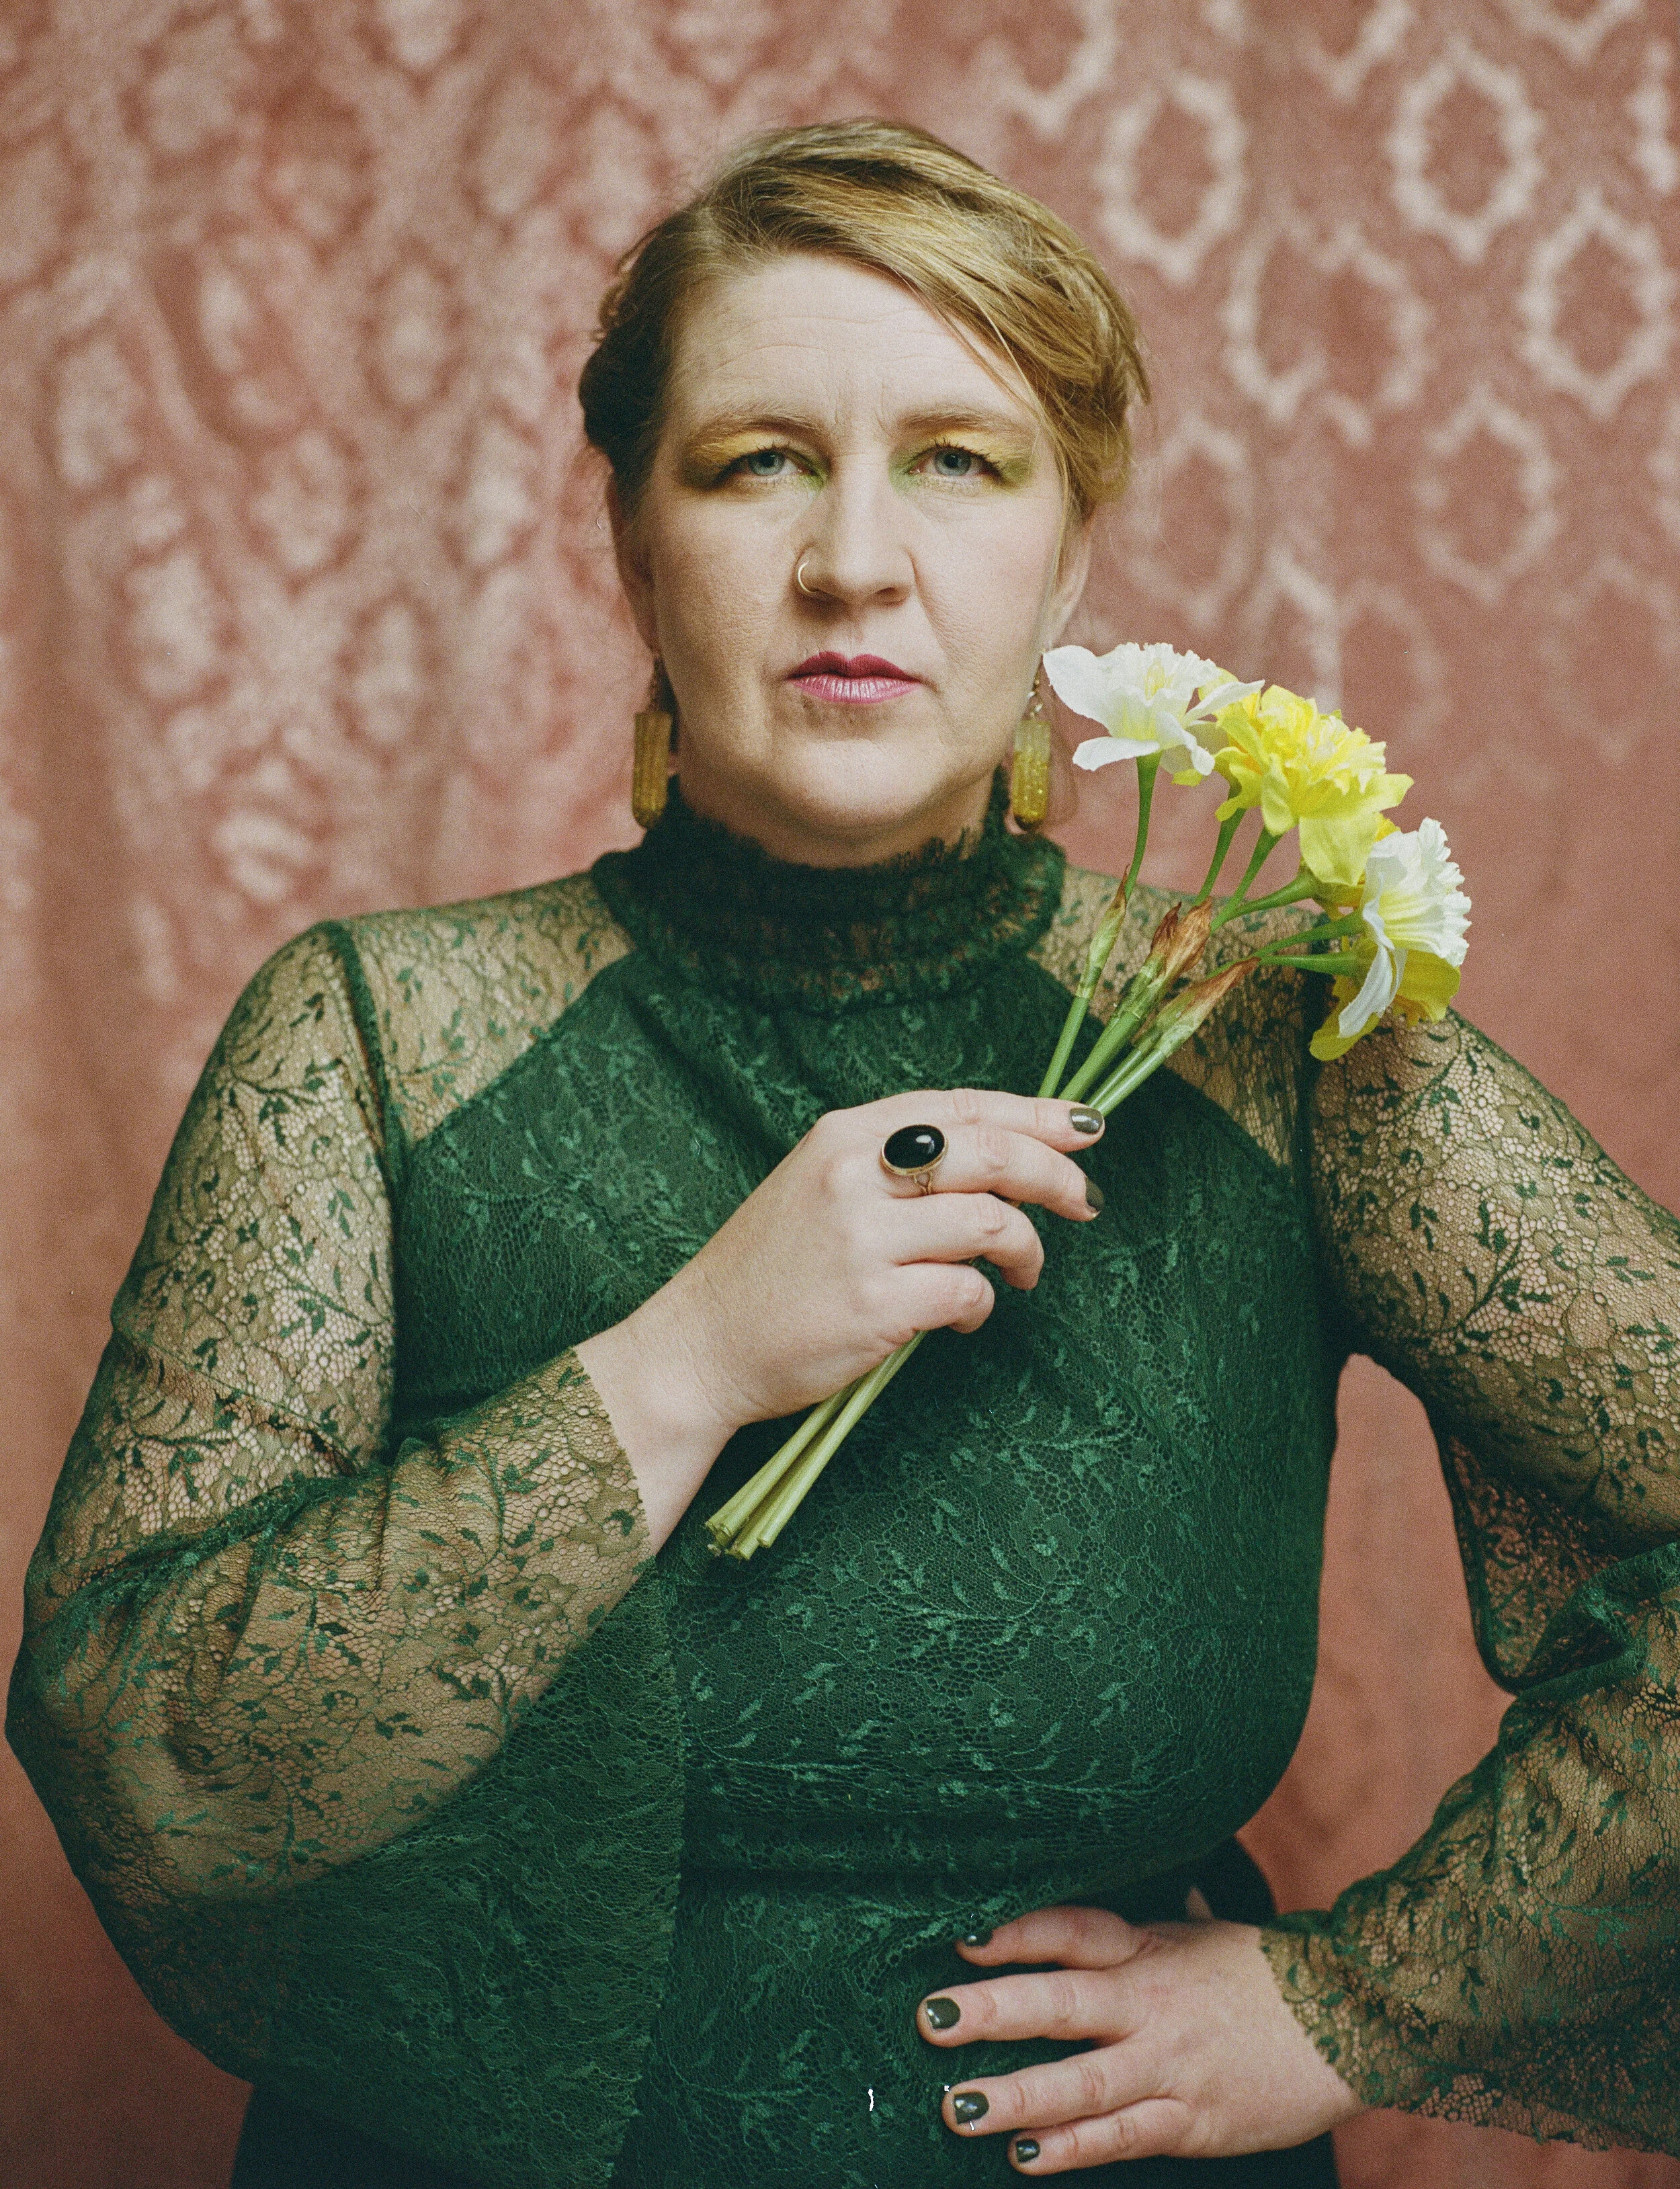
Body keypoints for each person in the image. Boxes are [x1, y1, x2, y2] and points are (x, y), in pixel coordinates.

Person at [7, 119, 1677, 2189]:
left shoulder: (1272, 1041)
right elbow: (145, 1746)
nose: (853, 561)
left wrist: (1354, 2004)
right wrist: (685, 1360)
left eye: (957, 460)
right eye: (756, 460)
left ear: (1068, 553)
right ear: (629, 541)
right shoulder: (371, 1041)